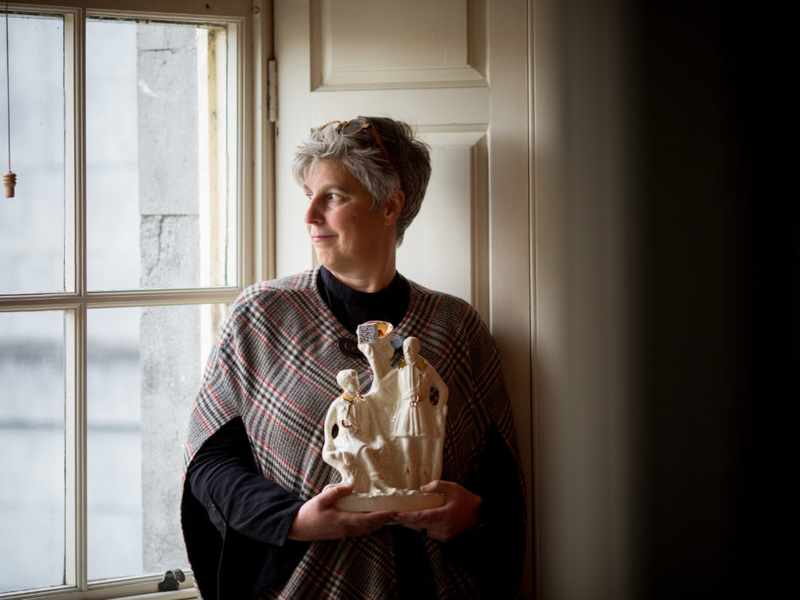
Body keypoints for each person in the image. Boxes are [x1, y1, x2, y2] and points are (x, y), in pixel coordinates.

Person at [181, 116, 526, 599]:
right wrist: (296, 520)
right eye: (309, 196)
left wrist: (470, 515)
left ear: (391, 205)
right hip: (292, 584)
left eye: (334, 197)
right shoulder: (263, 315)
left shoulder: (455, 327)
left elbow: (500, 485)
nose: (310, 217)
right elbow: (209, 466)